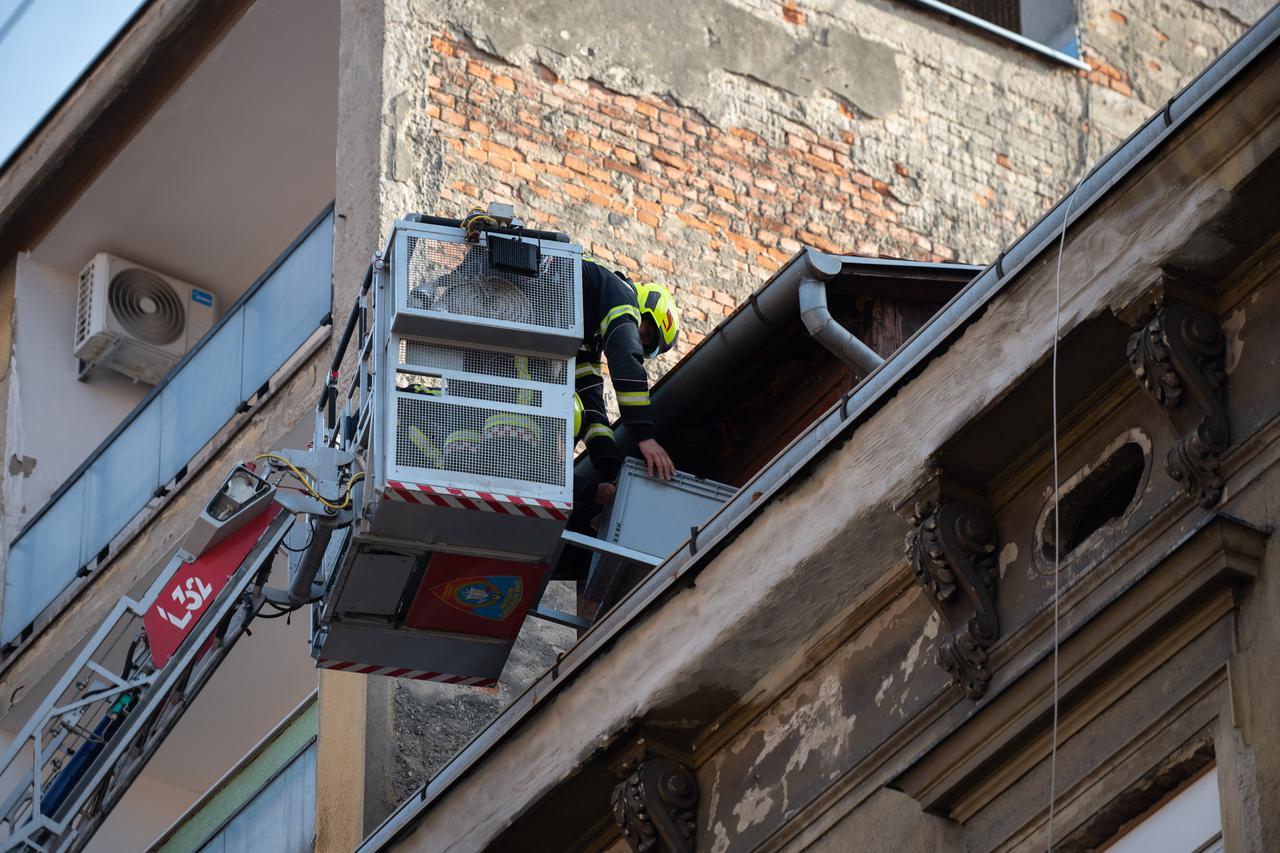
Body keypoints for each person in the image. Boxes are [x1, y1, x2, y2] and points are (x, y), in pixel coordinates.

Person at [576, 260, 680, 487]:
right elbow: (625, 355)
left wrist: (611, 472)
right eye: (647, 332)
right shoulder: (620, 293)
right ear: (644, 307)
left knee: (575, 411)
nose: (639, 340)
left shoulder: (585, 336)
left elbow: (590, 400)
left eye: (646, 344)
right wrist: (645, 436)